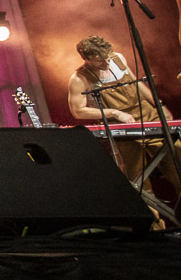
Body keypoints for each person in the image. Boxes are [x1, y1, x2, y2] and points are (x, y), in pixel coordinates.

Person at [67, 35, 178, 192]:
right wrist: (114, 113)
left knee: (175, 159)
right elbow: (78, 111)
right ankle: (150, 208)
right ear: (86, 59)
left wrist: (159, 105)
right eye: (99, 61)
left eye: (107, 58)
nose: (106, 63)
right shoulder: (79, 79)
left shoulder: (118, 59)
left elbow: (136, 84)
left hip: (148, 116)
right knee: (137, 177)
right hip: (120, 127)